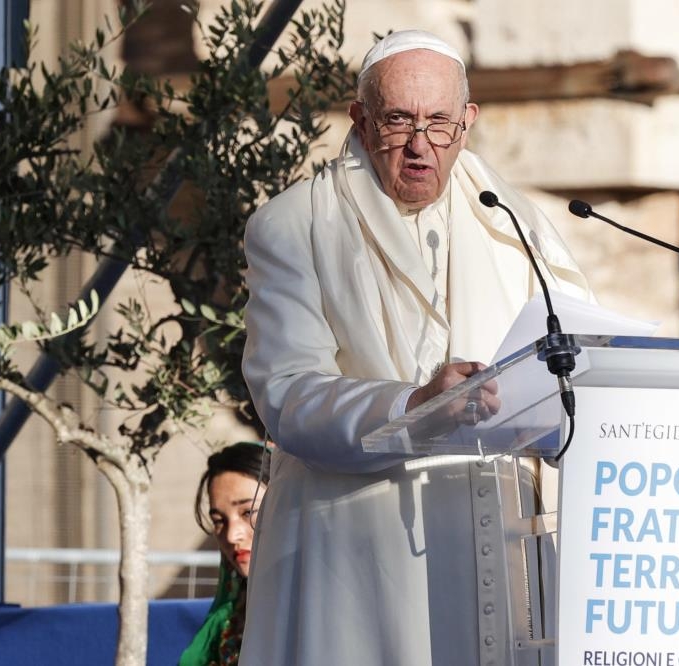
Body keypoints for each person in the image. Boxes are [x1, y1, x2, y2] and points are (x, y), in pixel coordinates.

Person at [240, 30, 591, 666]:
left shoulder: (517, 224)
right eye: (398, 121)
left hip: (499, 537)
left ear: (469, 121)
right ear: (360, 120)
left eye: (439, 123)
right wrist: (413, 405)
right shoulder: (294, 226)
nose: (420, 145)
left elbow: (575, 354)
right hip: (362, 546)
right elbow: (287, 395)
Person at [180, 442, 270, 666]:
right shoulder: (228, 621)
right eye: (219, 520)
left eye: (248, 512)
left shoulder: (315, 609)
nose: (232, 535)